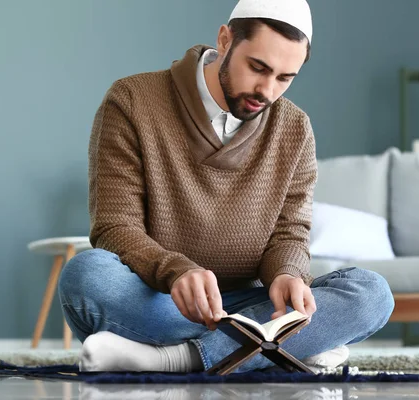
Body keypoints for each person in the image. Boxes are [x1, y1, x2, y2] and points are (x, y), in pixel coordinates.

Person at [58, 0, 394, 373]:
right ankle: (280, 350)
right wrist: (176, 271)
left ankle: (174, 359)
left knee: (372, 294)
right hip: (160, 298)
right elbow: (114, 226)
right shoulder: (132, 100)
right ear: (225, 39)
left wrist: (286, 273)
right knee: (86, 276)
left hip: (252, 303)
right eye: (257, 67)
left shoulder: (295, 129)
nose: (267, 90)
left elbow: (289, 234)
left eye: (285, 78)